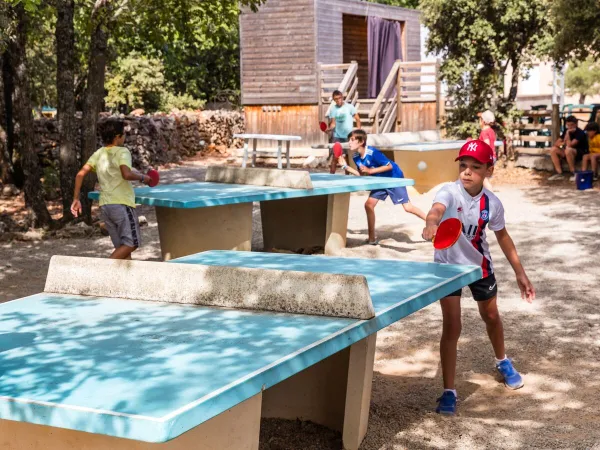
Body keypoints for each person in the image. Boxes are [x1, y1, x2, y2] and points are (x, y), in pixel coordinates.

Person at [421, 139, 535, 415]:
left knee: (492, 317)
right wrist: (431, 222)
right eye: (463, 166)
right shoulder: (449, 191)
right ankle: (449, 390)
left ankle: (502, 360)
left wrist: (520, 272)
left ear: (489, 170)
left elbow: (503, 237)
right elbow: (436, 209)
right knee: (452, 326)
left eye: (475, 166)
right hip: (448, 269)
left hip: (480, 268)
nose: (467, 172)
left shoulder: (492, 204)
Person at [71, 118, 151, 259]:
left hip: (106, 206)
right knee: (132, 243)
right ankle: (103, 270)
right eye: (123, 134)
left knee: (121, 248)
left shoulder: (99, 153)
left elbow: (80, 174)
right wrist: (144, 178)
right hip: (121, 204)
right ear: (117, 137)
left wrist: (76, 199)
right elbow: (126, 174)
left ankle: (124, 280)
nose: (125, 137)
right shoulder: (122, 152)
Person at [337, 129, 426, 245]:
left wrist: (370, 170)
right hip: (380, 181)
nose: (349, 142)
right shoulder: (356, 157)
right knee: (369, 205)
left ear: (361, 141)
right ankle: (372, 238)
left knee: (408, 207)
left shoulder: (373, 153)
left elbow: (389, 166)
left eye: (352, 140)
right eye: (349, 140)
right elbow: (362, 175)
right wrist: (345, 167)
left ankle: (432, 222)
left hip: (394, 178)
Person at [325, 90, 361, 174]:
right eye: (336, 99)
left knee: (347, 157)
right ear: (334, 100)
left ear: (342, 97)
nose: (338, 100)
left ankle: (347, 176)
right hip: (337, 136)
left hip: (348, 136)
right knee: (335, 157)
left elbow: (358, 119)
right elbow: (333, 123)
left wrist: (359, 131)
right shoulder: (333, 109)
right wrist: (329, 129)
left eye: (339, 98)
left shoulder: (350, 107)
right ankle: (331, 177)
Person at [549, 116, 589, 181]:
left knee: (568, 149)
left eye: (572, 125)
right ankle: (559, 173)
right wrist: (563, 143)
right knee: (553, 149)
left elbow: (570, 145)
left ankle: (573, 173)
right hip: (568, 151)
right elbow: (556, 143)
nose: (570, 127)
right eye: (568, 125)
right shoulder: (566, 130)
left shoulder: (580, 133)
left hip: (580, 153)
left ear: (576, 124)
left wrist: (567, 134)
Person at [479, 110, 497, 191]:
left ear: (483, 121)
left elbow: (487, 144)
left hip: (487, 158)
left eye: (480, 119)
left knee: (482, 177)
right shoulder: (491, 131)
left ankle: (490, 191)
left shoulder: (484, 132)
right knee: (485, 177)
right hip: (493, 156)